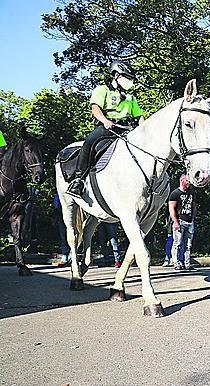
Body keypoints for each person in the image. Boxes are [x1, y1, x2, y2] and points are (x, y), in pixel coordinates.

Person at [67, 61, 145, 197]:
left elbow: (139, 117)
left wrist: (145, 130)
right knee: (89, 143)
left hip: (127, 129)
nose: (130, 82)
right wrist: (105, 121)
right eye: (127, 78)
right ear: (116, 75)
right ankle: (78, 180)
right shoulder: (102, 90)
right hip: (107, 127)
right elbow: (95, 109)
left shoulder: (131, 98)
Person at [169, 174, 196, 271]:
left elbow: (194, 206)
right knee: (177, 243)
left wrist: (193, 218)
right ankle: (176, 263)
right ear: (182, 180)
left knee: (188, 245)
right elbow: (171, 208)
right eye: (187, 180)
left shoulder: (191, 193)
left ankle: (187, 264)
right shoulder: (175, 193)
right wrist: (175, 221)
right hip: (180, 221)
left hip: (189, 222)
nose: (188, 182)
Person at [53, 193, 69, 265]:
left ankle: (71, 254)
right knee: (63, 236)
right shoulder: (58, 192)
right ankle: (65, 255)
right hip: (60, 214)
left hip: (69, 213)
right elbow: (56, 203)